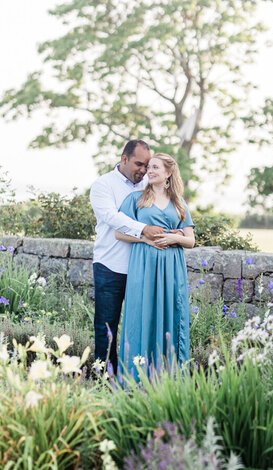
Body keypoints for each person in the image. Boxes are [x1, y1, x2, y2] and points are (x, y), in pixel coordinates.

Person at [115, 153, 195, 379]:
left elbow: (191, 240)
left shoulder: (179, 202)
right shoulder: (136, 199)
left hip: (171, 267)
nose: (149, 171)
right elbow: (119, 232)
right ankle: (136, 378)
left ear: (168, 173)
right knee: (141, 313)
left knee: (171, 312)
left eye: (155, 167)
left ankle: (170, 378)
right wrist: (145, 238)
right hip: (143, 265)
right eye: (149, 167)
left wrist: (174, 239)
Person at [89, 140, 166, 373]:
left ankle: (135, 376)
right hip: (109, 265)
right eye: (139, 164)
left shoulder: (147, 185)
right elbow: (112, 217)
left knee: (139, 325)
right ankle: (103, 377)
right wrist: (143, 229)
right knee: (106, 326)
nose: (144, 170)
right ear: (124, 159)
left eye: (147, 165)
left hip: (141, 266)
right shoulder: (103, 185)